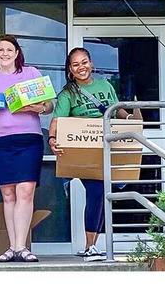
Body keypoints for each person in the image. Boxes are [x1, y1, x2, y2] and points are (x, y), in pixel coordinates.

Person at [0, 35, 53, 262]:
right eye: (0, 50)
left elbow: (49, 104)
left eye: (9, 50)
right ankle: (12, 247)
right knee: (8, 194)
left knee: (25, 190)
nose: (5, 53)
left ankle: (21, 247)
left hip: (28, 140)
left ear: (17, 53)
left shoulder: (31, 73)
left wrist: (37, 107)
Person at [47, 47, 138, 261]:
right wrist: (52, 139)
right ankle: (91, 246)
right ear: (70, 69)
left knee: (102, 195)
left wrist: (130, 120)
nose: (81, 67)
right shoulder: (67, 94)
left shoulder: (105, 85)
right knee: (97, 193)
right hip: (86, 150)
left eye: (84, 62)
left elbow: (115, 109)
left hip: (108, 147)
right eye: (76, 64)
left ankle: (93, 244)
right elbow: (57, 120)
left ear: (92, 63)